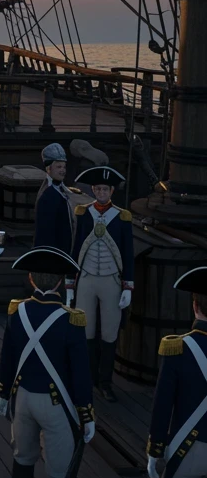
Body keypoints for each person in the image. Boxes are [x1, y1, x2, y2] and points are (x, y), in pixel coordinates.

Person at [0, 247, 95, 478]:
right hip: (56, 406)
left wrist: (3, 395)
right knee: (60, 475)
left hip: (23, 398)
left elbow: (8, 358)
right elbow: (80, 375)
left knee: (23, 458)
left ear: (31, 278)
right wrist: (86, 414)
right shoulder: (72, 320)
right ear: (61, 283)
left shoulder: (17, 311)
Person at [146, 266, 207, 478]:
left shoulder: (177, 348)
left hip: (186, 450)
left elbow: (162, 405)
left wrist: (156, 449)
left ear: (195, 307)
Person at [71, 166, 135, 403]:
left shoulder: (122, 217)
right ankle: (87, 380)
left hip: (111, 280)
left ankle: (105, 383)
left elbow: (128, 253)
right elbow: (76, 248)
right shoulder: (83, 213)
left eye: (104, 189)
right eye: (97, 189)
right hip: (86, 278)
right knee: (85, 332)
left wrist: (128, 286)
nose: (101, 192)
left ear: (111, 191)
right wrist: (70, 285)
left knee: (109, 333)